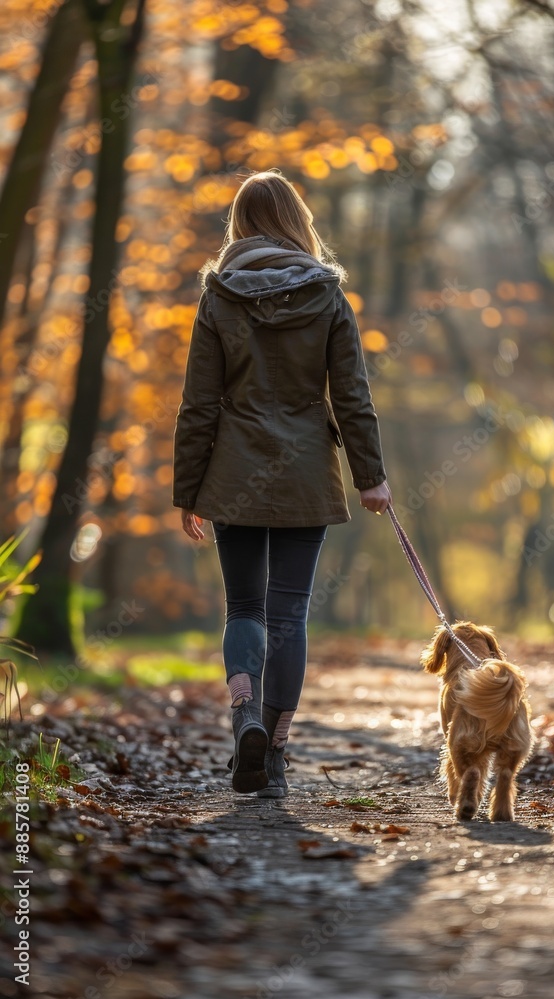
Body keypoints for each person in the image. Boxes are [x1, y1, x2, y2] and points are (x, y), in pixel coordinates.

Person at [172, 168, 391, 798]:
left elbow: (199, 404)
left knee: (243, 608)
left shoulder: (218, 295)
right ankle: (273, 752)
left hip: (233, 474)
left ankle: (244, 716)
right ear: (296, 220)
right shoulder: (327, 295)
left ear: (239, 224)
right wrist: (370, 477)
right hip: (304, 477)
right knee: (288, 614)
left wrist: (188, 489)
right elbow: (351, 394)